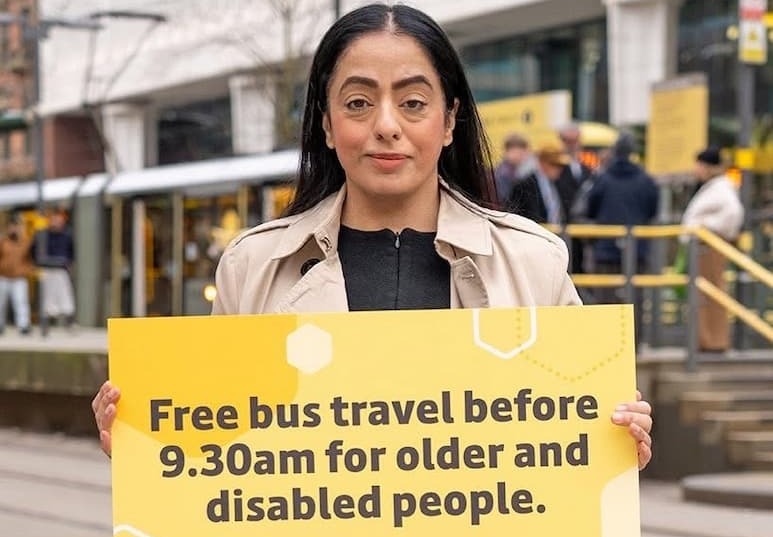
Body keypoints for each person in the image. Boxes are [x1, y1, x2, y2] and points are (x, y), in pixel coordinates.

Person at [92, 3, 652, 469]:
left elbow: (576, 459)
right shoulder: (253, 267)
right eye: (358, 102)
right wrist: (149, 449)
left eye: (413, 102)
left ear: (450, 119)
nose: (387, 124)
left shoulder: (534, 262)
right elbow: (218, 455)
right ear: (328, 125)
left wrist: (620, 439)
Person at [585, 133, 659, 346]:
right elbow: (652, 210)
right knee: (634, 298)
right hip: (637, 248)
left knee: (606, 300)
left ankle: (606, 344)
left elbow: (591, 208)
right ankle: (633, 344)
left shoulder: (603, 179)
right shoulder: (646, 180)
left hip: (606, 248)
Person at [680, 146, 744, 352]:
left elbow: (733, 214)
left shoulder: (721, 188)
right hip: (703, 246)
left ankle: (714, 340)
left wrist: (707, 227)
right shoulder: (714, 187)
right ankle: (706, 339)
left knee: (712, 295)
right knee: (705, 296)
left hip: (710, 246)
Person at [556, 122, 594, 274]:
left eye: (575, 140)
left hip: (581, 233)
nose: (572, 145)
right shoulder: (555, 169)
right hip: (561, 230)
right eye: (567, 141)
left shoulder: (586, 169)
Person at [31, 207, 75, 336]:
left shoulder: (67, 235)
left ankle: (69, 324)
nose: (56, 221)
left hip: (61, 269)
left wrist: (68, 263)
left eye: (59, 219)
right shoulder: (42, 234)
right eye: (54, 219)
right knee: (47, 298)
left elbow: (71, 252)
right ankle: (46, 326)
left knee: (65, 296)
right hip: (46, 269)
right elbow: (34, 251)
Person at [507, 140, 569, 225]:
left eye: (560, 166)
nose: (559, 170)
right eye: (554, 164)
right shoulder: (524, 186)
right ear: (542, 162)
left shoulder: (560, 184)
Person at [0, 215, 33, 335]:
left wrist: (27, 270)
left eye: (16, 226)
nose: (13, 229)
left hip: (19, 277)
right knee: (1, 302)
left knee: (21, 302)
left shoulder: (26, 242)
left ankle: (23, 325)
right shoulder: (3, 241)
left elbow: (31, 259)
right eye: (11, 226)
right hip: (3, 276)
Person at [493, 132, 532, 204]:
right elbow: (505, 199)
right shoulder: (503, 173)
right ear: (507, 152)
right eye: (516, 152)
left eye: (522, 152)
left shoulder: (524, 170)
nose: (520, 156)